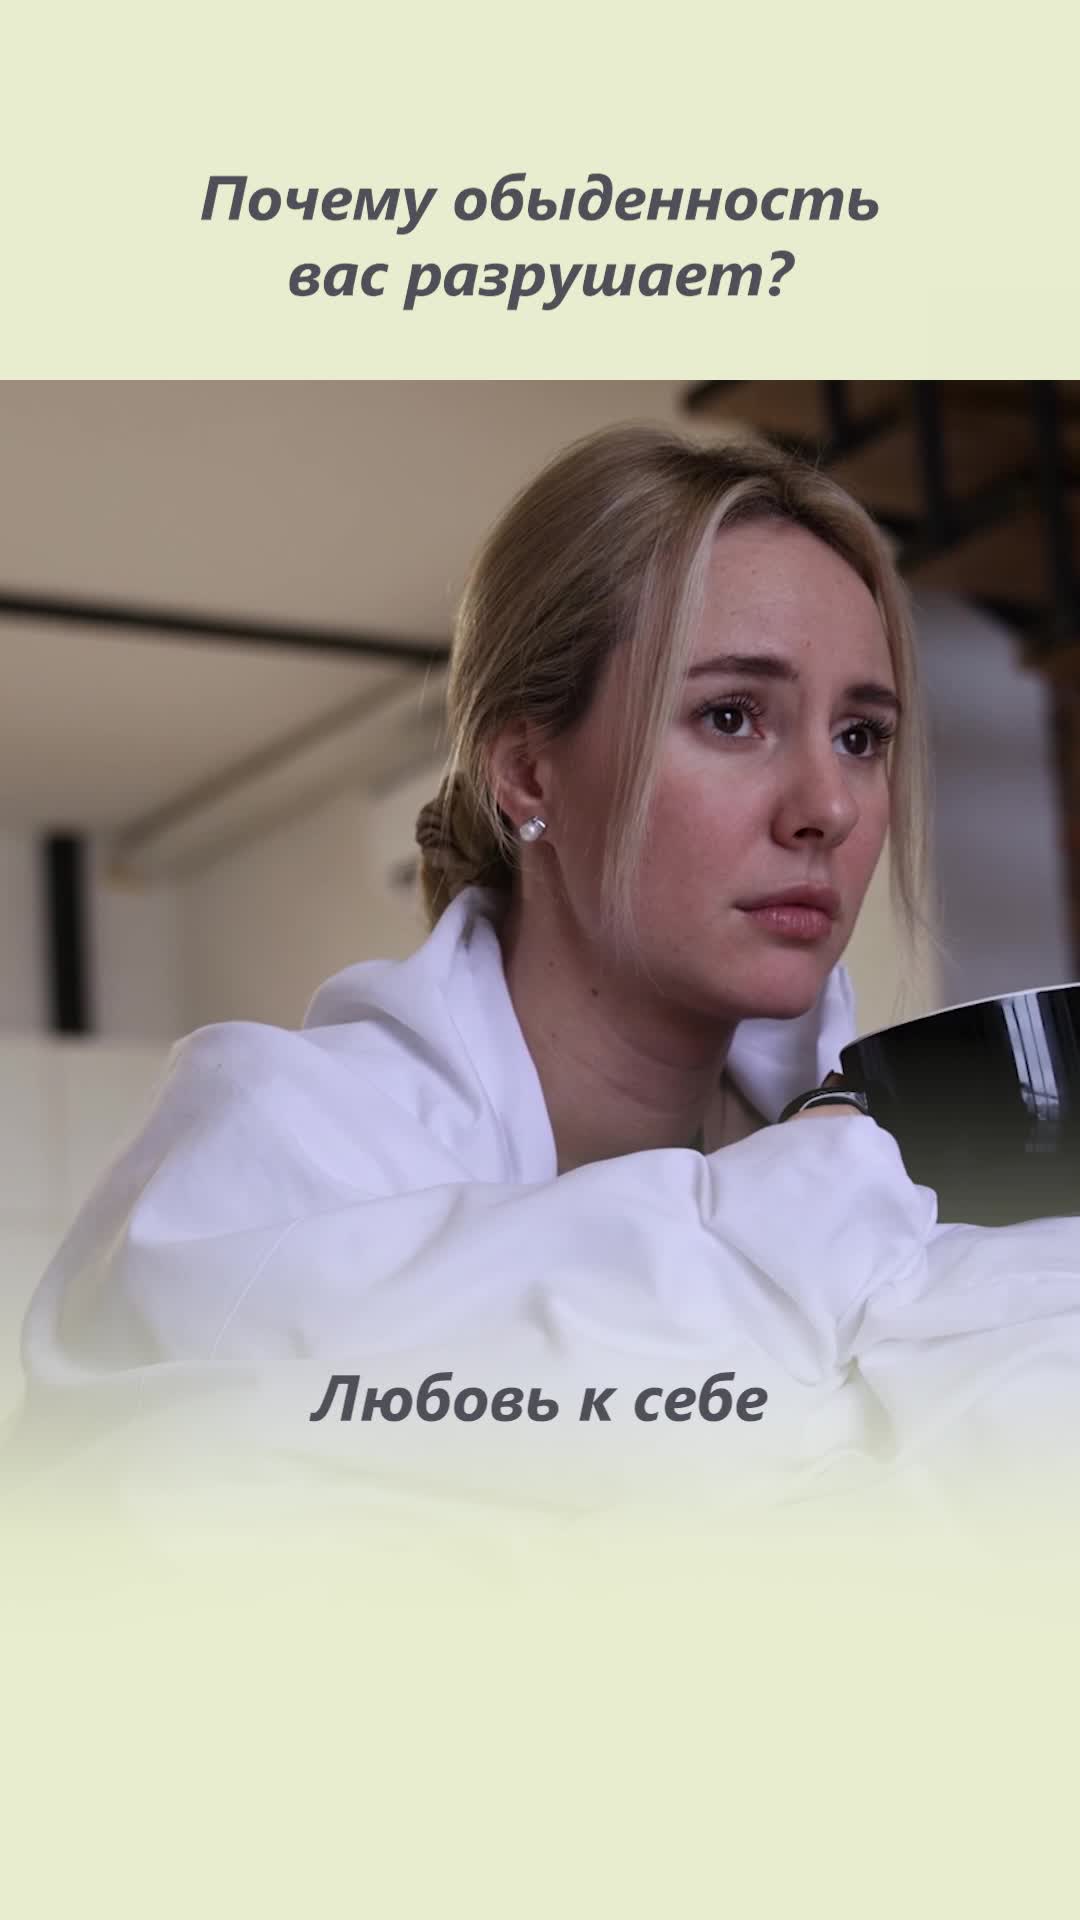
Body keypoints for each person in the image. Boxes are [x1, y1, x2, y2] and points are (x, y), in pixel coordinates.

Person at [11, 426, 1080, 1513]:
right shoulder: (275, 1151)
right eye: (731, 716)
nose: (829, 807)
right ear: (528, 773)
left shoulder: (931, 1170)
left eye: (862, 736)